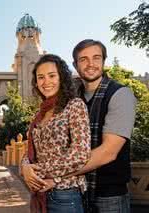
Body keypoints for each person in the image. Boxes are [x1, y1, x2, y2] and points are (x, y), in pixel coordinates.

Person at [40, 39, 137, 213]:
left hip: (109, 197)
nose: (90, 64)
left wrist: (55, 177)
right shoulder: (70, 99)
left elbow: (108, 152)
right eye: (83, 59)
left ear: (103, 61)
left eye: (96, 58)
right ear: (75, 65)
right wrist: (26, 165)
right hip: (76, 192)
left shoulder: (120, 95)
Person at [21, 54, 91, 213]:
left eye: (52, 75)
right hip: (41, 193)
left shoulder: (74, 106)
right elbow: (31, 152)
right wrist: (25, 166)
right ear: (36, 83)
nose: (46, 82)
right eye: (41, 77)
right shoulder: (39, 115)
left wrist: (37, 171)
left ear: (62, 78)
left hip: (65, 195)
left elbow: (81, 154)